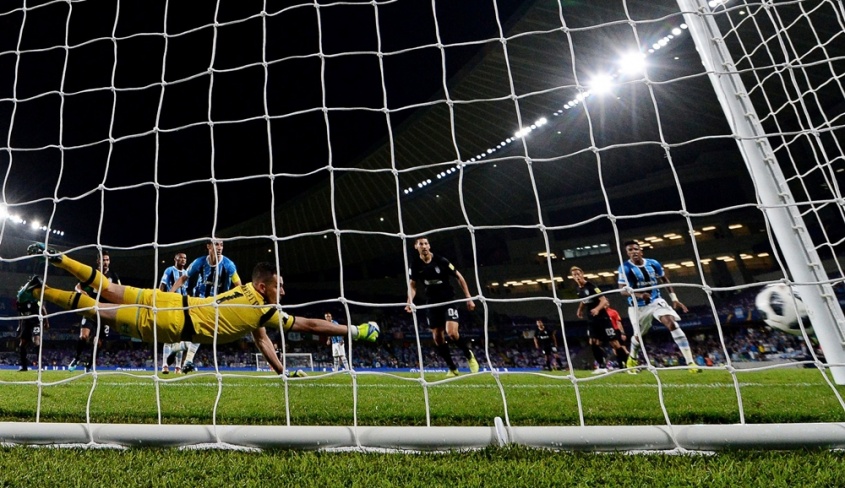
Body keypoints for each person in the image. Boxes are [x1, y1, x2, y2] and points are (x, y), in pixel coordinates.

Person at [18, 243, 380, 377]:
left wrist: (283, 372)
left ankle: (61, 259)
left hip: (169, 300)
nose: (283, 291)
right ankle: (39, 290)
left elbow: (263, 341)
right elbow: (310, 325)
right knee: (98, 311)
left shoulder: (247, 295)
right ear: (262, 286)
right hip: (172, 322)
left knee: (109, 289)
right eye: (278, 285)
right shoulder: (263, 308)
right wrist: (355, 330)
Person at [617, 240, 699, 374]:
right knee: (639, 336)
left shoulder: (653, 263)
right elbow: (622, 290)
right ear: (627, 253)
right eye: (630, 250)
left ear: (641, 251)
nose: (634, 252)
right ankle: (632, 357)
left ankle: (691, 362)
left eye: (636, 249)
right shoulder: (624, 268)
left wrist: (674, 298)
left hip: (656, 301)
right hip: (638, 307)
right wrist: (640, 295)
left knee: (671, 324)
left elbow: (664, 279)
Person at [406, 236, 479, 377]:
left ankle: (469, 355)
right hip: (432, 302)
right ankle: (452, 368)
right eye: (421, 244)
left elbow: (459, 277)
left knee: (452, 333)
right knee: (437, 337)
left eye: (426, 243)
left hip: (448, 300)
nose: (424, 246)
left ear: (429, 246)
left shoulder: (441, 260)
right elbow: (413, 285)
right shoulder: (415, 264)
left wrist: (469, 298)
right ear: (416, 247)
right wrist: (409, 301)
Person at [169, 239, 242, 373]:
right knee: (200, 328)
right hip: (200, 300)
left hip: (219, 302)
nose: (219, 247)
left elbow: (238, 285)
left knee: (204, 333)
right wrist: (170, 294)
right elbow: (183, 278)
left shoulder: (229, 265)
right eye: (216, 244)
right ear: (209, 246)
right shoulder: (199, 262)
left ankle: (178, 348)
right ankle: (188, 361)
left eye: (221, 245)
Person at [69, 250, 121, 372]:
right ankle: (76, 358)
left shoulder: (113, 276)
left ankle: (89, 365)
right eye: (103, 260)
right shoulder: (91, 274)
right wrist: (81, 292)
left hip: (105, 312)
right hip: (91, 309)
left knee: (98, 342)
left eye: (107, 260)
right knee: (83, 336)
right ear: (98, 261)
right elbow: (78, 286)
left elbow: (120, 290)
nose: (106, 262)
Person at [572, 266, 629, 374]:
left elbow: (603, 300)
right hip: (591, 319)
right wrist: (580, 310)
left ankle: (630, 364)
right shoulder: (578, 289)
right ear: (573, 277)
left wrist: (597, 309)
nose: (577, 276)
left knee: (615, 344)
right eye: (574, 275)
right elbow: (583, 300)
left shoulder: (592, 286)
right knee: (593, 342)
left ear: (582, 274)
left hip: (603, 318)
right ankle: (602, 366)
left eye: (578, 274)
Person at [159, 252, 188, 374]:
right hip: (170, 305)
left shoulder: (187, 273)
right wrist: (160, 300)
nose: (183, 259)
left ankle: (178, 367)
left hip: (182, 307)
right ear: (175, 259)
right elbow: (162, 285)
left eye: (185, 258)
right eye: (181, 257)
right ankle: (165, 365)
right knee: (168, 336)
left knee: (180, 338)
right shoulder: (169, 270)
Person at [16, 298, 48, 372]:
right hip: (25, 323)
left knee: (36, 340)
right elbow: (20, 314)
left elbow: (43, 308)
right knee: (22, 343)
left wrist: (46, 322)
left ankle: (40, 366)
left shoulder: (35, 299)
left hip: (36, 322)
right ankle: (24, 367)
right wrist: (19, 326)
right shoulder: (19, 301)